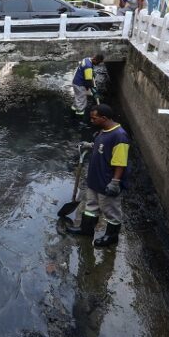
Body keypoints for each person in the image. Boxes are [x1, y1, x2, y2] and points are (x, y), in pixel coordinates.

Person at [67, 104, 130, 247]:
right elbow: (100, 146)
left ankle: (111, 237)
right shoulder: (103, 130)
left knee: (111, 210)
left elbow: (120, 163)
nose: (91, 121)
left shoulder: (119, 136)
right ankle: (86, 229)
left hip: (107, 181)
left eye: (94, 118)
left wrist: (115, 182)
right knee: (91, 206)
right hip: (95, 179)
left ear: (104, 118)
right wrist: (91, 145)